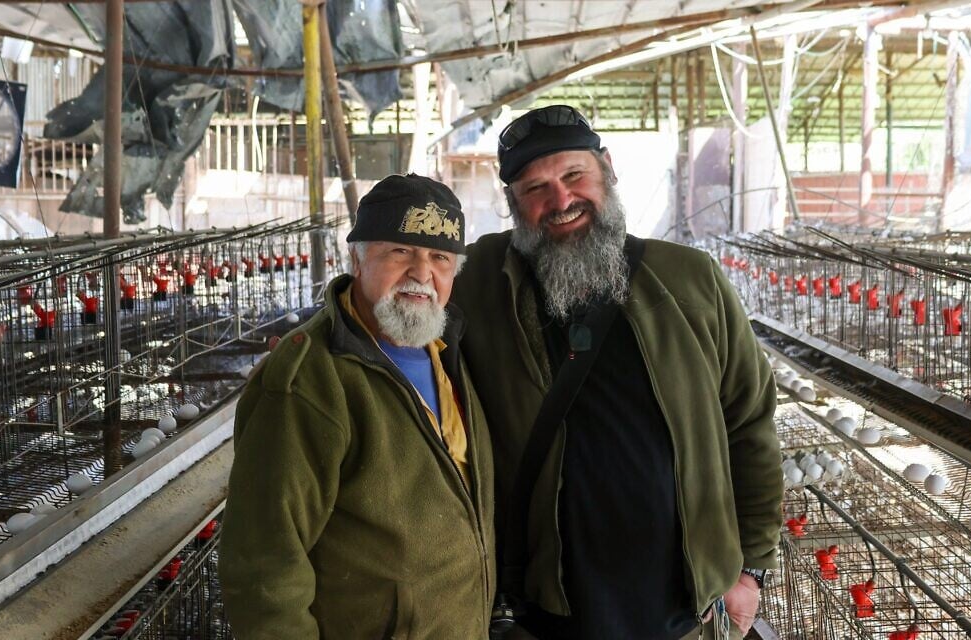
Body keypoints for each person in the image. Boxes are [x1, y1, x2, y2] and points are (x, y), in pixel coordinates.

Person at [451, 105, 782, 640]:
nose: (560, 201)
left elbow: (750, 424)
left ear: (607, 167)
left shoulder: (691, 282)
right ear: (512, 203)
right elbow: (401, 279)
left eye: (573, 175)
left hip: (683, 610)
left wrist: (752, 569)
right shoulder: (481, 285)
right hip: (549, 613)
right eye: (535, 189)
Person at [219, 174, 495, 639]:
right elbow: (265, 571)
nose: (422, 273)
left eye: (440, 258)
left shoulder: (449, 351)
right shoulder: (309, 380)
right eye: (400, 252)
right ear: (356, 259)